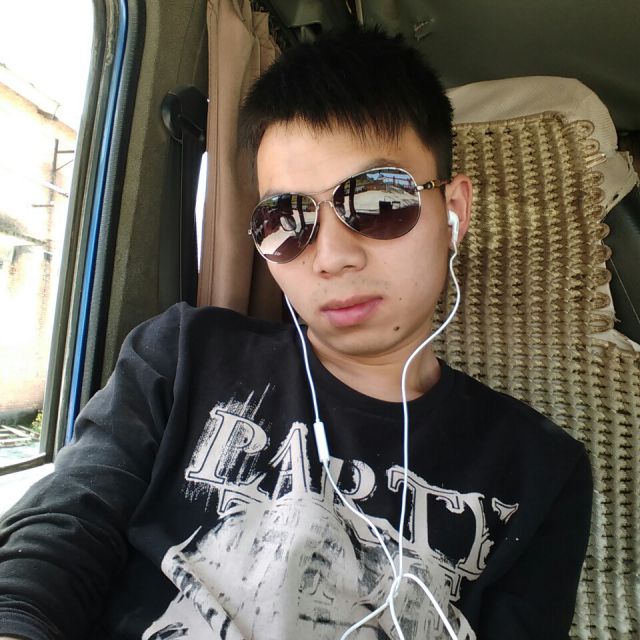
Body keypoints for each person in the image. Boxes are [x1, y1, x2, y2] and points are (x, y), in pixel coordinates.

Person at [0, 26, 592, 640]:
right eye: (285, 219)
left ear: (453, 213)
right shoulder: (182, 356)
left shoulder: (541, 471)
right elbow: (64, 528)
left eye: (378, 200)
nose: (331, 257)